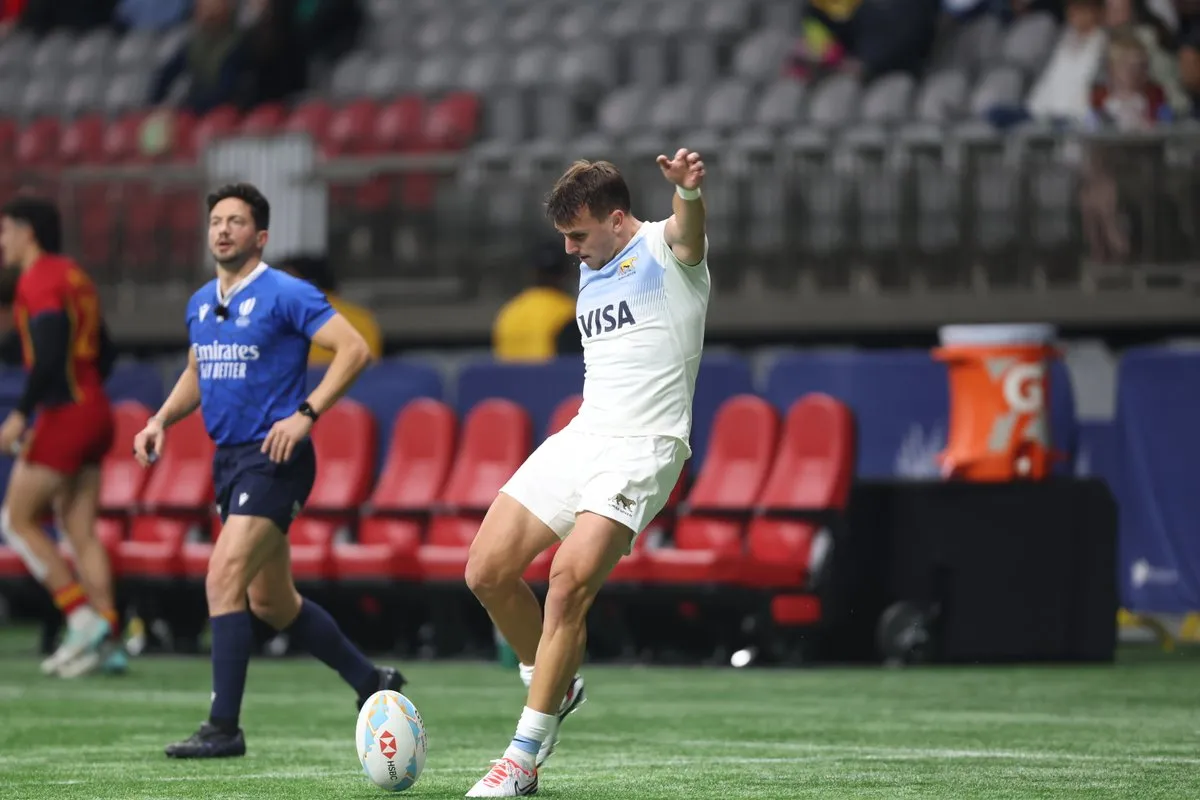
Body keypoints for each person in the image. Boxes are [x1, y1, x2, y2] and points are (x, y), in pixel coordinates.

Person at [463, 150, 710, 797]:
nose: (570, 251)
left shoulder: (666, 250)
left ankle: (521, 758)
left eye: (578, 236)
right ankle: (556, 679)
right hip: (585, 435)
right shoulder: (592, 266)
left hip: (645, 447)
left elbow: (689, 234)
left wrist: (687, 193)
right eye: (564, 238)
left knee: (568, 580)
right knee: (485, 569)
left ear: (618, 218)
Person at [132, 183, 406, 759]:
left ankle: (224, 728)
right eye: (215, 221)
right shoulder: (201, 301)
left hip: (275, 458)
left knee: (221, 578)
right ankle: (370, 682)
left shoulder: (286, 294)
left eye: (235, 221)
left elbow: (353, 349)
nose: (222, 229)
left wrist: (307, 413)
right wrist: (160, 419)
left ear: (260, 237)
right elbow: (197, 370)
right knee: (271, 603)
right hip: (229, 461)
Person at [0, 196, 124, 679]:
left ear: (27, 231)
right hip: (96, 409)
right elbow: (106, 350)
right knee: (79, 530)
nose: (2, 241)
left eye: (5, 230)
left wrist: (23, 413)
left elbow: (49, 352)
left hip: (65, 414)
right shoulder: (74, 275)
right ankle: (108, 640)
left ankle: (80, 616)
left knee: (16, 519)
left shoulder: (38, 279)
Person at [491, 242, 577, 362]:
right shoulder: (570, 312)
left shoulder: (508, 312)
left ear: (532, 272)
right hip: (551, 380)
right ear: (566, 273)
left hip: (511, 380)